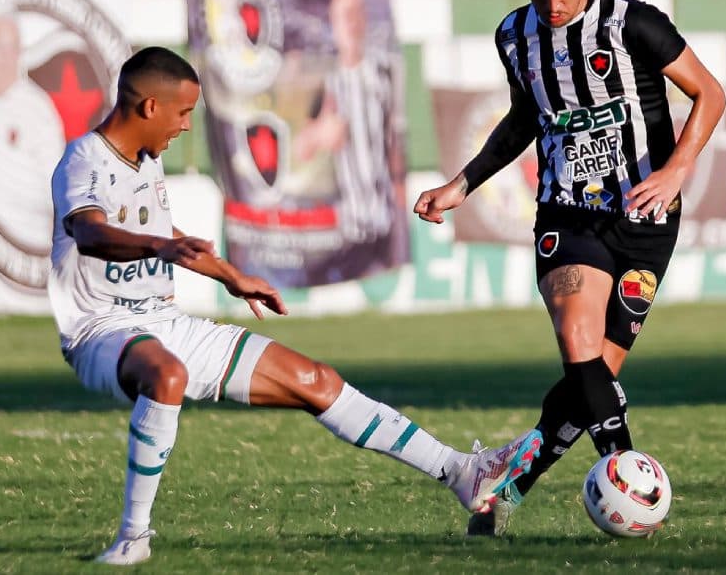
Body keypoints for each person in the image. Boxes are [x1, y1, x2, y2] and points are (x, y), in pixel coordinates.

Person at [48, 46, 541, 565]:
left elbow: (157, 230)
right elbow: (89, 230)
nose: (187, 126)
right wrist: (159, 248)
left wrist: (231, 276)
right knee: (166, 375)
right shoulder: (85, 159)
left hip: (163, 321)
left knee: (316, 382)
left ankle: (460, 471)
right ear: (150, 107)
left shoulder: (145, 161)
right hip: (100, 329)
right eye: (183, 113)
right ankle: (133, 539)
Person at [413, 0, 726, 536]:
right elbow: (523, 119)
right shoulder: (515, 36)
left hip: (645, 216)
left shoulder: (633, 23)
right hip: (567, 213)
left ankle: (501, 490)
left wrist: (676, 171)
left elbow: (709, 93)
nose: (554, 4)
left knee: (595, 382)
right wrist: (461, 184)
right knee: (579, 346)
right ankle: (626, 478)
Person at [294, 0, 401, 246]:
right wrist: (320, 134)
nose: (352, 23)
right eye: (345, 15)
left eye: (357, 12)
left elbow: (399, 145)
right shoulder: (326, 82)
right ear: (333, 23)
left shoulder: (383, 73)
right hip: (348, 229)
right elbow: (299, 150)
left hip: (389, 221)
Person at [0, 13, 67, 253]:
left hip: (25, 240)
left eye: (13, 47)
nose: (6, 56)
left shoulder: (37, 107)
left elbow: (56, 184)